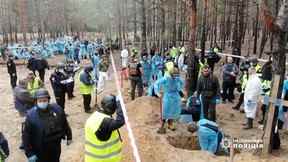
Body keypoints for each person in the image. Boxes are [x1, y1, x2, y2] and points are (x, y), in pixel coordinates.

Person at [22, 89, 72, 162]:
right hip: (40, 148)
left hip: (55, 146)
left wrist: (69, 136)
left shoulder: (57, 109)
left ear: (48, 100)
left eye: (44, 100)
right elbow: (26, 135)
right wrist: (29, 153)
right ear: (36, 102)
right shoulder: (31, 115)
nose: (42, 102)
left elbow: (64, 123)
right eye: (40, 101)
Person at [85, 94, 125, 162]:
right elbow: (120, 121)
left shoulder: (95, 116)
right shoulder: (105, 122)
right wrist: (119, 104)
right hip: (105, 159)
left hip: (91, 158)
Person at [155, 67, 184, 134]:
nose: (175, 77)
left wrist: (179, 89)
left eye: (177, 75)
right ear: (171, 74)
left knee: (173, 111)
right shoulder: (166, 78)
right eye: (174, 75)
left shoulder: (177, 78)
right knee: (165, 110)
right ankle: (162, 125)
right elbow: (156, 83)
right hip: (168, 96)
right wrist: (157, 92)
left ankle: (170, 124)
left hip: (176, 96)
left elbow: (181, 83)